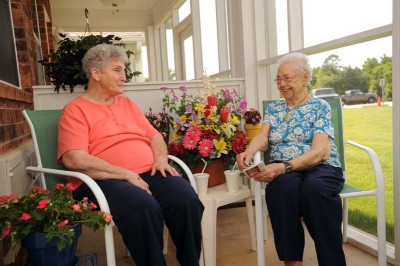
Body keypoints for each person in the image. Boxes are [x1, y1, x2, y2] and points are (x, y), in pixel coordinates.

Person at [57, 43, 204, 266]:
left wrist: (161, 159)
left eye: (124, 70)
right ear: (96, 73)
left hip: (148, 171)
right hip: (102, 180)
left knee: (185, 198)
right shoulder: (75, 110)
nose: (124, 77)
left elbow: (155, 136)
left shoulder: (128, 104)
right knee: (142, 207)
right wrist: (125, 174)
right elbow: (74, 158)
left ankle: (191, 262)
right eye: (117, 70)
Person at [237, 52, 346, 266]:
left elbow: (320, 152)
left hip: (320, 166)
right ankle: (292, 263)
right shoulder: (274, 108)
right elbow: (263, 137)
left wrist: (285, 166)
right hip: (283, 169)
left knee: (314, 190)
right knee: (282, 190)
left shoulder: (319, 107)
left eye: (288, 78)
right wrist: (249, 151)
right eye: (278, 79)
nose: (282, 84)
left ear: (305, 77)